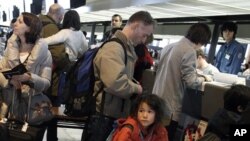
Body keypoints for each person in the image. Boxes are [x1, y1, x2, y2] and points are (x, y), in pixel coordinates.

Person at [86, 11, 155, 141]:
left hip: (111, 114)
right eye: (144, 35)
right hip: (104, 116)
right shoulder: (114, 48)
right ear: (136, 25)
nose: (144, 39)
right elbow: (115, 82)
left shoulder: (125, 47)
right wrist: (136, 89)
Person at [152, 23, 212, 141]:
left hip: (156, 100)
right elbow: (191, 82)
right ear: (201, 40)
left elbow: (157, 69)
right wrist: (204, 78)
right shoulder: (189, 51)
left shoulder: (169, 46)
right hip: (170, 108)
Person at [0, 12, 52, 141]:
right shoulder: (9, 50)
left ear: (30, 28)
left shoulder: (44, 53)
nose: (15, 24)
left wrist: (29, 78)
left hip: (31, 109)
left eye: (20, 21)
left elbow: (46, 82)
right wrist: (9, 81)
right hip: (7, 107)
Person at [38, 3, 65, 141]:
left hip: (37, 75)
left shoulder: (37, 23)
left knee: (39, 109)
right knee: (50, 112)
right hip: (50, 78)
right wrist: (68, 63)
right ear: (59, 16)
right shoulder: (52, 27)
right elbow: (59, 55)